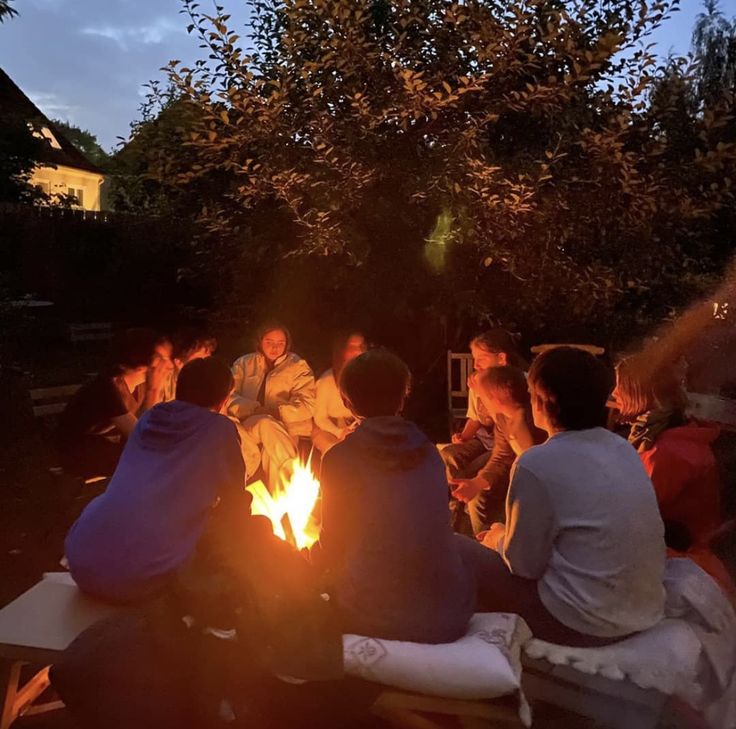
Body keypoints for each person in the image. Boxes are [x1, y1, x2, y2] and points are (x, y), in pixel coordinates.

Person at [460, 347, 666, 646]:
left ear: (541, 402)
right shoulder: (623, 449)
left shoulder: (536, 463)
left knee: (455, 547)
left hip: (582, 624)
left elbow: (524, 566)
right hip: (644, 612)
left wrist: (498, 537)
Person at [312, 349, 475, 643]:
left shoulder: (339, 458)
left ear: (347, 402)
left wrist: (305, 563)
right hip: (449, 615)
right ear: (403, 398)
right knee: (464, 548)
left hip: (370, 614)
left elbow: (333, 543)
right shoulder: (430, 453)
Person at [65, 358, 258, 604]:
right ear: (223, 399)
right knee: (238, 531)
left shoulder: (150, 417)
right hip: (138, 577)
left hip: (82, 560)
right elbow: (235, 500)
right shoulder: (219, 429)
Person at [614, 356, 735, 598]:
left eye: (620, 385)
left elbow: (628, 514)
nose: (614, 392)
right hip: (680, 555)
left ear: (639, 393)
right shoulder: (673, 434)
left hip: (683, 567)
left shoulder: (665, 451)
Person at [439, 330, 528, 534]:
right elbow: (500, 450)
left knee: (476, 483)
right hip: (494, 445)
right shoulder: (504, 422)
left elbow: (504, 450)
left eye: (481, 359)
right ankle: (455, 509)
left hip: (509, 455)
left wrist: (478, 482)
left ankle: (485, 544)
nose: (475, 365)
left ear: (502, 358)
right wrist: (464, 437)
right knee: (449, 455)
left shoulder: (520, 390)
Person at [57, 328, 162, 479]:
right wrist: (154, 390)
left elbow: (144, 426)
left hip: (104, 445)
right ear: (142, 365)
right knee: (150, 461)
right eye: (162, 358)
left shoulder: (139, 385)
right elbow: (140, 435)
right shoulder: (108, 387)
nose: (168, 363)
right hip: (77, 451)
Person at [451, 365, 546, 531]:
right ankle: (486, 545)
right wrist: (476, 483)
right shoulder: (502, 420)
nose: (480, 402)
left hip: (544, 488)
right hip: (522, 480)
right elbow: (502, 456)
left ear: (495, 400)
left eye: (482, 397)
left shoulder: (537, 422)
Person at [228, 323, 316, 490]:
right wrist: (253, 409)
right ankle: (297, 484)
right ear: (260, 341)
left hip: (284, 428)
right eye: (269, 342)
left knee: (272, 454)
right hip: (247, 426)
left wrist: (279, 412)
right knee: (264, 423)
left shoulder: (298, 366)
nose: (275, 347)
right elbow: (228, 396)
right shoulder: (244, 364)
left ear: (287, 344)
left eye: (280, 343)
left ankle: (281, 509)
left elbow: (307, 403)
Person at [312, 331, 368, 454]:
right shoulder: (326, 381)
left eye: (360, 347)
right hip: (328, 430)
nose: (357, 351)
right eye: (352, 347)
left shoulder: (368, 378)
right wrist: (339, 432)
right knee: (336, 452)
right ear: (342, 350)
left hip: (356, 430)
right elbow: (320, 418)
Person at [160, 327, 218, 403]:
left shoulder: (204, 382)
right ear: (178, 361)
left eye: (207, 358)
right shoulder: (162, 382)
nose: (204, 365)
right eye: (198, 360)